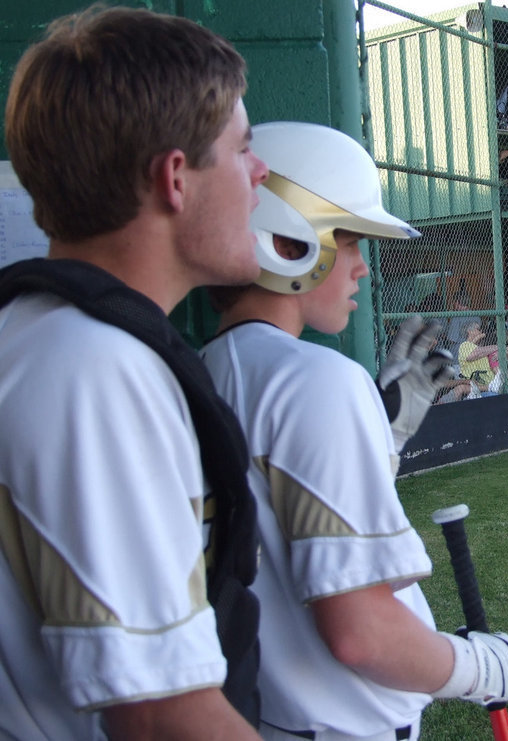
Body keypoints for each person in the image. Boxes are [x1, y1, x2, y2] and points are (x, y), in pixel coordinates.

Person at [202, 122, 508, 740]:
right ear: (287, 241)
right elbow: (361, 633)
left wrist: (384, 443)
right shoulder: (317, 378)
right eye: (346, 241)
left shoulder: (205, 367)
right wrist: (480, 667)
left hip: (265, 713)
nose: (361, 269)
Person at [0, 6, 269, 739]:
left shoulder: (49, 335)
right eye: (242, 149)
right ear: (174, 179)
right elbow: (160, 716)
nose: (260, 171)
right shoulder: (93, 367)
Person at [458, 320, 500, 394]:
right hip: (481, 387)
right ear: (470, 331)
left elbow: (507, 351)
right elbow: (472, 356)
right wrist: (497, 347)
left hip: (494, 384)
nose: (481, 331)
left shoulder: (480, 347)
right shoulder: (464, 345)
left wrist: (499, 352)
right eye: (478, 329)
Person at [444, 292, 479, 357]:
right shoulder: (476, 316)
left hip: (458, 353)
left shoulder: (457, 317)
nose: (453, 304)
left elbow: (452, 339)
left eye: (454, 302)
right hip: (473, 352)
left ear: (457, 302)